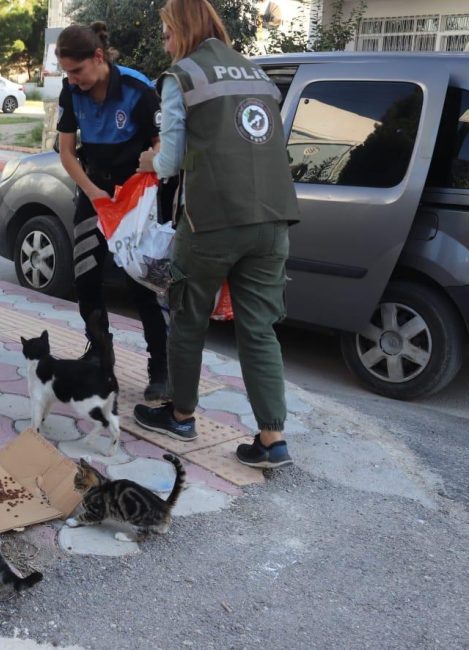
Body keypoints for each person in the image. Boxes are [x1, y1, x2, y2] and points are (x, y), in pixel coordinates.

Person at [132, 0, 299, 468]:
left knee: (188, 320)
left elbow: (169, 161)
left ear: (182, 28)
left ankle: (181, 414)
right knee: (260, 330)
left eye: (166, 32)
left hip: (212, 221)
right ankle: (271, 439)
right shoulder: (257, 74)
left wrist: (149, 161)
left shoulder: (182, 76)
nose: (165, 43)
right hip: (273, 219)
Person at [55, 21, 169, 401]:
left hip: (136, 198)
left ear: (98, 57)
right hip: (95, 192)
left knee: (142, 284)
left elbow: (162, 151)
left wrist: (132, 189)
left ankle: (161, 368)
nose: (72, 80)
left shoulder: (137, 89)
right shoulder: (71, 93)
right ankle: (100, 354)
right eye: (66, 73)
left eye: (77, 71)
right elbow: (67, 153)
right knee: (85, 278)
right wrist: (94, 193)